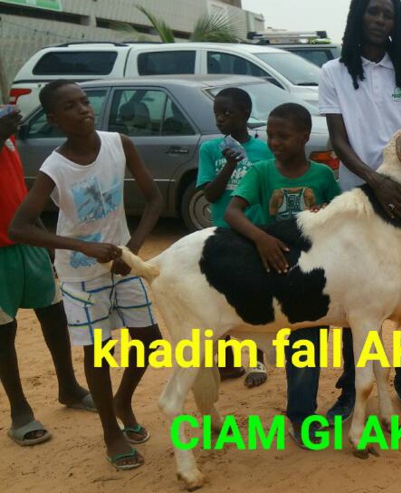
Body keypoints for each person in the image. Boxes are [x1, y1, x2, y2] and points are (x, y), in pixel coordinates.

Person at [9, 80, 164, 470]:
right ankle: (111, 431)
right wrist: (83, 247)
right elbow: (20, 227)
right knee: (99, 353)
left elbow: (155, 198)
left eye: (85, 101)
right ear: (55, 119)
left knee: (148, 339)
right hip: (80, 275)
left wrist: (135, 247)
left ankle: (122, 401)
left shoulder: (119, 143)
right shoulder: (54, 167)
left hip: (122, 264)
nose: (84, 110)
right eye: (71, 106)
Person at [318, 0, 401, 419]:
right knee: (356, 298)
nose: (380, 19)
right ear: (358, 17)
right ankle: (351, 388)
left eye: (388, 14)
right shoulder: (334, 72)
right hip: (358, 197)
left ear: (397, 23)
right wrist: (373, 181)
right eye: (373, 12)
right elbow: (338, 139)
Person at [224, 102, 342, 446]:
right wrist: (260, 237)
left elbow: (341, 214)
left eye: (284, 136)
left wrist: (327, 214)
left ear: (304, 137)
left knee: (306, 348)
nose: (275, 142)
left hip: (312, 279)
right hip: (271, 273)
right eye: (271, 135)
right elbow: (233, 213)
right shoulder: (260, 172)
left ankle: (301, 416)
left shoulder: (321, 176)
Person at [1, 104, 95, 448]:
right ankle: (19, 412)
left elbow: (16, 193)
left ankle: (69, 387)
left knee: (54, 315)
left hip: (24, 242)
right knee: (3, 331)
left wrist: (43, 238)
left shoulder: (8, 138)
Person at [196, 87, 272, 387]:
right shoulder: (210, 150)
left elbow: (267, 193)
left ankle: (257, 362)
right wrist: (228, 164)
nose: (220, 119)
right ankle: (227, 363)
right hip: (223, 234)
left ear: (245, 113)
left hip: (255, 233)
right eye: (217, 113)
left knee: (256, 298)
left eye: (227, 113)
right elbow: (210, 194)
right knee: (222, 298)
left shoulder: (263, 151)